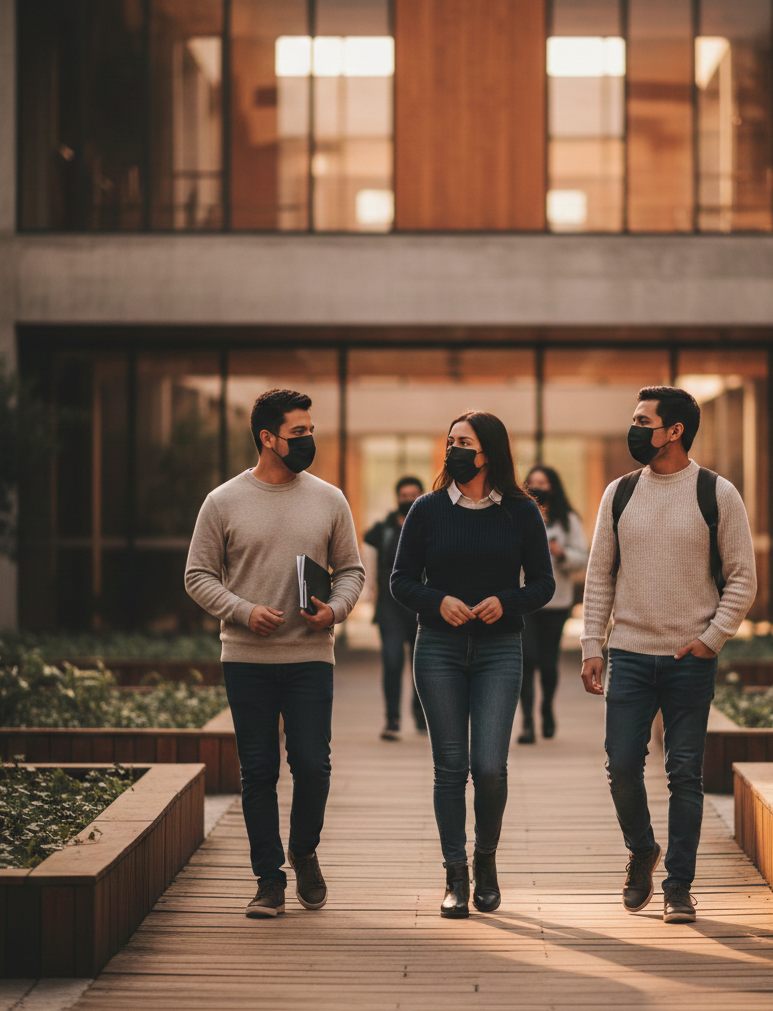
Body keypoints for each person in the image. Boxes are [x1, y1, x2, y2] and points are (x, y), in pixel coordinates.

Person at [185, 388, 364, 919]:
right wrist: (242, 611)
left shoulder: (329, 499)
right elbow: (197, 575)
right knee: (257, 772)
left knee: (312, 765)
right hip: (246, 659)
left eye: (311, 430)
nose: (309, 440)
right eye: (298, 433)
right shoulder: (222, 501)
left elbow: (353, 571)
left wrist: (334, 610)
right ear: (267, 437)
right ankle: (269, 880)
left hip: (311, 657)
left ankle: (303, 850)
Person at [580, 386, 756, 925]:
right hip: (630, 653)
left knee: (685, 773)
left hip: (690, 658)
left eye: (642, 420)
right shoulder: (620, 492)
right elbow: (599, 576)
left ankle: (679, 885)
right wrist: (593, 644)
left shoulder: (717, 493)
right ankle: (642, 849)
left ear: (674, 430)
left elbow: (743, 578)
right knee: (623, 766)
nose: (634, 429)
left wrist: (712, 638)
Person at [391, 410, 554, 919]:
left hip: (499, 651)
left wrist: (507, 601)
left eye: (465, 442)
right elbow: (400, 580)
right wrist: (436, 601)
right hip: (437, 647)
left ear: (489, 453)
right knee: (450, 767)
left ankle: (486, 861)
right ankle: (455, 875)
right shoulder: (426, 509)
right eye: (450, 441)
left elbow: (543, 585)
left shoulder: (521, 512)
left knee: (489, 767)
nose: (454, 450)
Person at [518, 465, 587, 744]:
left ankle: (546, 708)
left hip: (556, 601)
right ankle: (526, 723)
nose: (537, 487)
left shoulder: (569, 520)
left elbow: (582, 559)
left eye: (542, 482)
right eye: (532, 482)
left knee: (547, 663)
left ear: (553, 487)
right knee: (526, 660)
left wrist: (561, 553)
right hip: (524, 600)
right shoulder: (518, 515)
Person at [363, 476, 427, 741]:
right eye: (404, 495)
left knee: (421, 666)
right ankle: (392, 719)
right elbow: (368, 549)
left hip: (422, 606)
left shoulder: (430, 525)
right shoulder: (383, 528)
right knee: (391, 663)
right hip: (389, 608)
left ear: (422, 496)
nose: (408, 499)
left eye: (414, 494)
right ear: (397, 498)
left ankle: (421, 715)